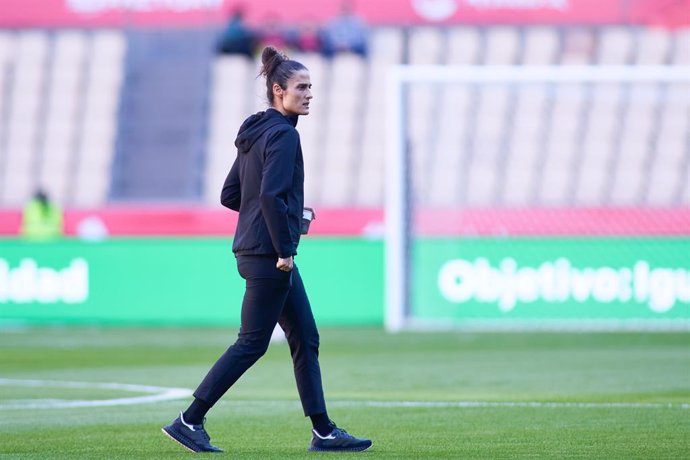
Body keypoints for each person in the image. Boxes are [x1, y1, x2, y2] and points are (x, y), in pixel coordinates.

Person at [161, 46, 373, 454]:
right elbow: (272, 195)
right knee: (252, 343)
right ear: (278, 90)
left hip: (255, 249)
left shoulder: (255, 132)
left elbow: (231, 194)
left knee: (305, 337)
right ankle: (189, 419)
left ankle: (324, 431)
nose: (310, 94)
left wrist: (277, 216)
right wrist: (283, 245)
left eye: (311, 87)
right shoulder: (285, 135)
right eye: (301, 87)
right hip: (270, 256)